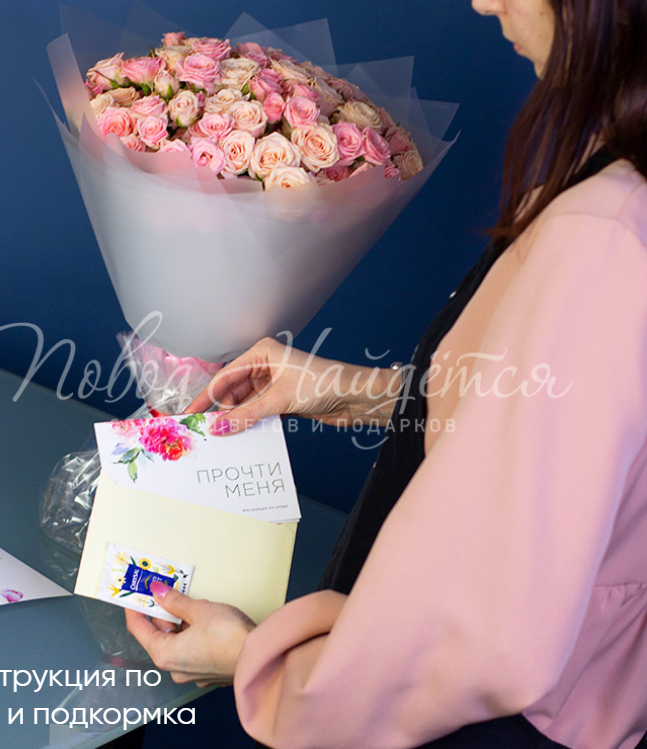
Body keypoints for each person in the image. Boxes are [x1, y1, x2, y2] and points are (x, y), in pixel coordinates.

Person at [126, 0, 647, 746]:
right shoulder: (620, 192)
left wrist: (260, 663)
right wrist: (355, 393)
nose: (485, 1)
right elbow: (588, 440)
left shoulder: (604, 231)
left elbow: (488, 633)